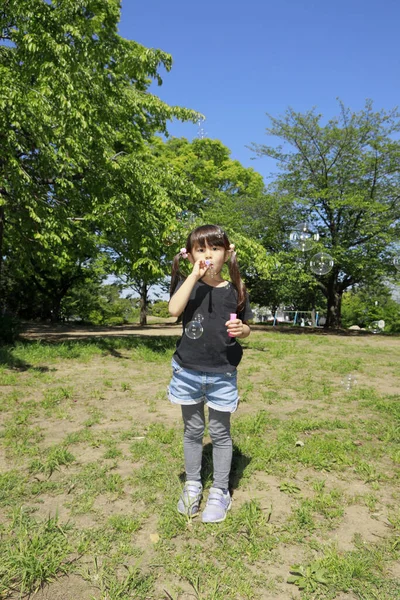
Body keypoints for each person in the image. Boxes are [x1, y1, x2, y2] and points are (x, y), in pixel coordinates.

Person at [168, 224, 253, 523]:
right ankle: (192, 484)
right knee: (192, 431)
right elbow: (173, 310)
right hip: (187, 372)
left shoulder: (236, 290)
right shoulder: (189, 286)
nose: (208, 255)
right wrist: (192, 275)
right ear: (190, 255)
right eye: (200, 249)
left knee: (219, 432)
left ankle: (220, 490)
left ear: (227, 253)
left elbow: (246, 327)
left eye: (214, 248)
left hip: (221, 374)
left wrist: (244, 330)